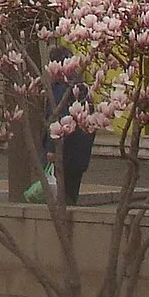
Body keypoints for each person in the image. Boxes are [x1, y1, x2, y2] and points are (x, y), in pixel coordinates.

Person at [49, 75, 97, 206]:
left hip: (66, 151)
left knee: (63, 192)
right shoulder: (85, 92)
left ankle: (64, 215)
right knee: (72, 190)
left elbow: (53, 118)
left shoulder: (59, 90)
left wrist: (50, 148)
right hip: (80, 154)